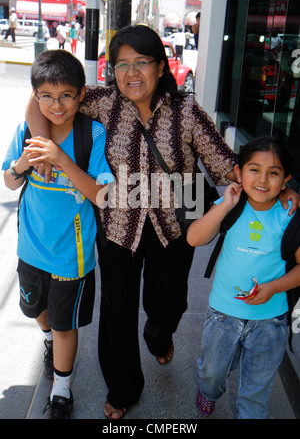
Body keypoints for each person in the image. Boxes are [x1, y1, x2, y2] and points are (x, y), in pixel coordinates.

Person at [25, 25, 298, 420]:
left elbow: (224, 163)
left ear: (161, 66)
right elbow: (40, 100)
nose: (132, 74)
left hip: (174, 229)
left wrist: (281, 187)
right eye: (122, 65)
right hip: (118, 227)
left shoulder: (185, 110)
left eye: (142, 63)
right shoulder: (101, 102)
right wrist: (41, 145)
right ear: (112, 70)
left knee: (166, 306)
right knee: (117, 313)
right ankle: (123, 388)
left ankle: (160, 334)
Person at [2, 49, 112, 419]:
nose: (56, 104)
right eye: (46, 96)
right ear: (35, 96)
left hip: (72, 255)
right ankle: (47, 339)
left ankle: (62, 390)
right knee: (35, 309)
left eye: (66, 94)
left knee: (65, 325)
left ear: (81, 95)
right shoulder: (26, 132)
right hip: (31, 247)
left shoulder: (92, 134)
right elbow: (9, 180)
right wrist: (23, 163)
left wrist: (62, 159)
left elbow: (101, 194)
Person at [187, 136, 300, 419]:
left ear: (286, 179)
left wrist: (274, 288)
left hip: (271, 320)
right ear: (238, 172)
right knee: (211, 372)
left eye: (273, 173)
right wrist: (224, 205)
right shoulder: (230, 205)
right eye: (254, 169)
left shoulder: (290, 216)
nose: (263, 180)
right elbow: (194, 238)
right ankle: (209, 392)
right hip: (223, 314)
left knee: (256, 391)